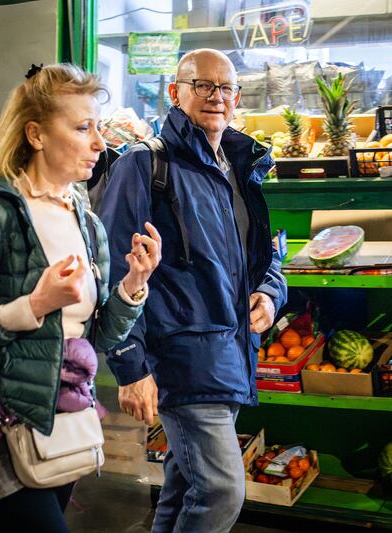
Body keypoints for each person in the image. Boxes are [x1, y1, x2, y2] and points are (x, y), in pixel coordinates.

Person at [0, 63, 161, 533]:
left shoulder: (86, 220)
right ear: (35, 134)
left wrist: (133, 286)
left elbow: (95, 334)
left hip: (60, 426)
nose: (100, 142)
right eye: (82, 127)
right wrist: (33, 305)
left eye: (98, 127)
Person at [99, 49, 287, 532]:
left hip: (232, 352)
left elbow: (263, 255)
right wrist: (130, 366)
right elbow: (115, 268)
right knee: (223, 490)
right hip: (181, 357)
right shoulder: (144, 166)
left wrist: (269, 291)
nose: (215, 97)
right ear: (175, 92)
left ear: (237, 97)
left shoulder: (238, 170)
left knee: (184, 488)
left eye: (225, 88)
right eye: (202, 85)